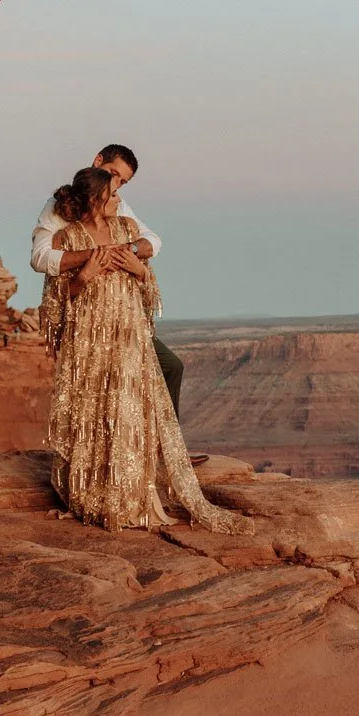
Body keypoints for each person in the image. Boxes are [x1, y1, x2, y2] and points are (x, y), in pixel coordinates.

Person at [37, 167, 249, 532]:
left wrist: (139, 269)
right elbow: (54, 306)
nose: (121, 201)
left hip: (129, 338)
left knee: (128, 411)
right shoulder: (65, 240)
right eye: (115, 194)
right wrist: (84, 278)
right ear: (95, 200)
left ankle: (134, 498)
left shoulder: (127, 232)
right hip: (88, 344)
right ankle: (94, 493)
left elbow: (149, 290)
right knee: (93, 413)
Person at [30, 144, 186, 409]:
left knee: (169, 366)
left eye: (122, 182)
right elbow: (40, 258)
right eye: (113, 174)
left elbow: (152, 240)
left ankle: (165, 445)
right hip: (87, 322)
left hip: (123, 318)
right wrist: (93, 256)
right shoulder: (60, 209)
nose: (116, 185)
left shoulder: (118, 208)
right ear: (97, 160)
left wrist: (130, 251)